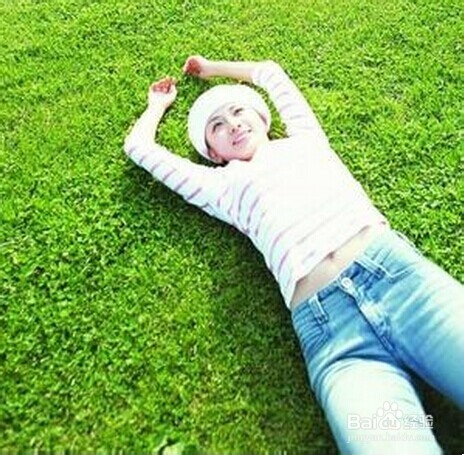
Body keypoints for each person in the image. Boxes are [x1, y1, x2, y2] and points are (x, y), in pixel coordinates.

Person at [124, 55, 464, 454]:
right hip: (336, 339)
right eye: (216, 126)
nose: (232, 124)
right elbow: (138, 147)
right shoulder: (221, 187)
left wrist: (210, 68)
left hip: (403, 286)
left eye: (238, 111)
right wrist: (157, 106)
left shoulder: (306, 138)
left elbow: (269, 72)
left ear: (262, 118)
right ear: (213, 153)